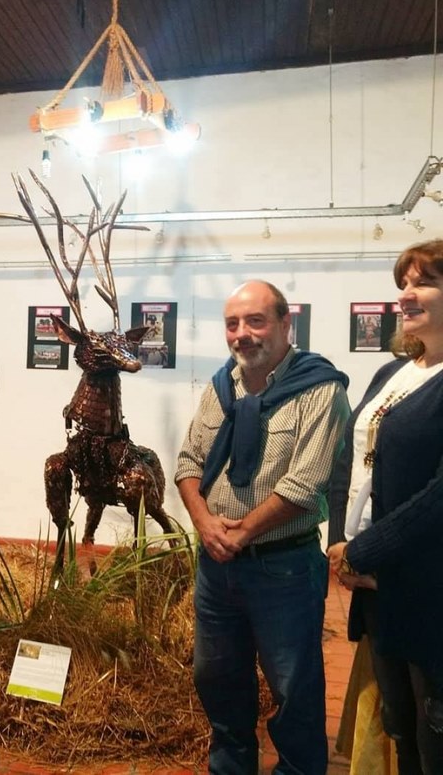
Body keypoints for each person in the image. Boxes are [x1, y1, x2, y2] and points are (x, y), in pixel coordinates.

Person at [175, 280, 349, 774]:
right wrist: (205, 523)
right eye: (232, 323)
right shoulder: (221, 386)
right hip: (217, 568)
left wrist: (242, 531)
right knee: (218, 681)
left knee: (294, 691)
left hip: (284, 570)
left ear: (285, 323)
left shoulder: (320, 388)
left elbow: (306, 483)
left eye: (255, 321)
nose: (242, 334)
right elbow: (188, 461)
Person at [328, 239, 443, 774]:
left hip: (427, 586)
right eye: (403, 283)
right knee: (399, 725)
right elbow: (348, 458)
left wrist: (364, 552)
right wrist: (337, 541)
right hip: (376, 583)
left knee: (434, 727)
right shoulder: (392, 372)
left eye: (423, 282)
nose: (406, 294)